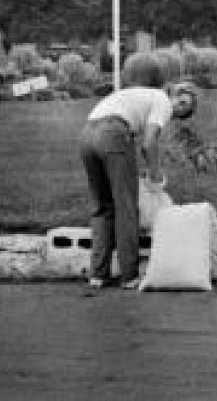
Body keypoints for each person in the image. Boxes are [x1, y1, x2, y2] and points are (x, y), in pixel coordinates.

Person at [79, 70, 197, 289]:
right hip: (113, 133)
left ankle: (98, 274)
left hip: (87, 134)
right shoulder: (162, 102)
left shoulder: (146, 94)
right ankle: (129, 276)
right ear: (173, 94)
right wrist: (155, 173)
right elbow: (149, 144)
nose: (179, 106)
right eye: (182, 101)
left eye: (184, 108)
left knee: (102, 207)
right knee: (126, 207)